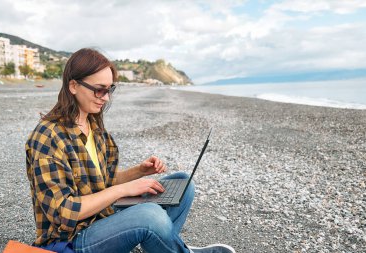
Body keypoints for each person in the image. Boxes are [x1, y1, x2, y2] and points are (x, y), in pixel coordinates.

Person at [25, 48, 236, 253]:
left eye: (109, 89)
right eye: (99, 89)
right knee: (150, 215)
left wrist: (140, 172)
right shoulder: (48, 137)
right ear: (73, 86)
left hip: (101, 217)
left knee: (182, 182)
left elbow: (104, 182)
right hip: (72, 239)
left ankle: (165, 245)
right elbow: (63, 212)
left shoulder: (94, 127)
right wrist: (125, 189)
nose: (105, 97)